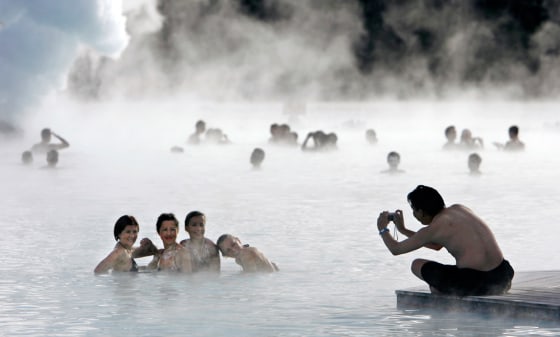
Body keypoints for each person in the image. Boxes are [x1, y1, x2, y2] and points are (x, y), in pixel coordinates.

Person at [377, 185, 514, 296]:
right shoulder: (460, 208)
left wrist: (382, 229)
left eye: (414, 211)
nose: (414, 215)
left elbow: (396, 249)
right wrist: (403, 230)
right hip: (504, 275)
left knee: (416, 264)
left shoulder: (434, 228)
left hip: (477, 283)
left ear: (422, 212)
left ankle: (444, 292)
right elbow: (436, 245)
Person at [94, 215, 158, 274]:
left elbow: (154, 252)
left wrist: (150, 244)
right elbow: (97, 271)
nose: (132, 236)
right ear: (119, 234)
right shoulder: (118, 252)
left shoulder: (127, 250)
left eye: (135, 232)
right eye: (128, 232)